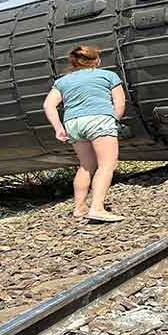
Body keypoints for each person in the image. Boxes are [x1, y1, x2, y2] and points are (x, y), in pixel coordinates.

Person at [42, 46, 126, 222]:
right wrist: (113, 120)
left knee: (86, 165)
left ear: (74, 63)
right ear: (97, 61)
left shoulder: (63, 81)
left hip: (73, 123)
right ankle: (97, 208)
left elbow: (48, 105)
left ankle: (79, 208)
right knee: (107, 165)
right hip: (99, 119)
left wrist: (58, 127)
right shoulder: (108, 76)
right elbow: (119, 104)